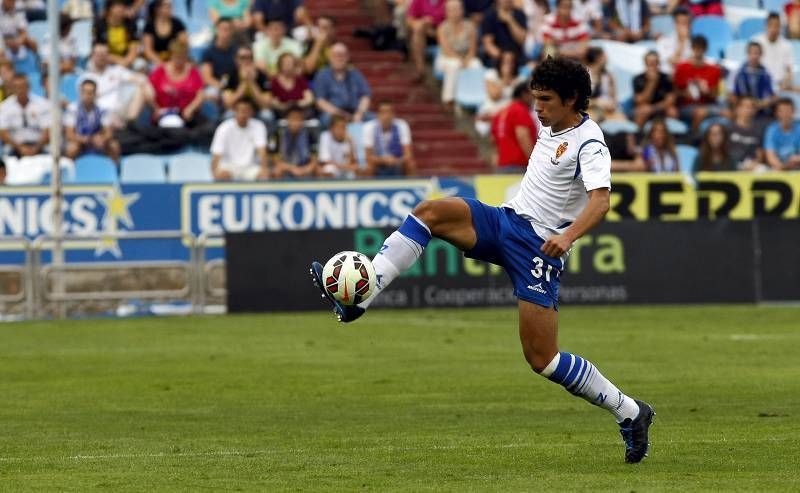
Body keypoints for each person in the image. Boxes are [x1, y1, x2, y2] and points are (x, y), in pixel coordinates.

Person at [309, 57, 655, 465]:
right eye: (535, 98)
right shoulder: (551, 123)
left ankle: (630, 412)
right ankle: (362, 295)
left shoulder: (591, 143)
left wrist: (567, 236)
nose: (538, 107)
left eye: (545, 100)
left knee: (542, 359)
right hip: (505, 222)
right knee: (430, 213)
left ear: (572, 99)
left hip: (538, 251)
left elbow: (601, 202)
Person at [149, 39, 212, 143]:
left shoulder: (193, 71)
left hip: (187, 115)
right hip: (164, 114)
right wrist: (156, 108)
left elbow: (200, 94)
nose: (179, 61)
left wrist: (190, 109)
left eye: (182, 58)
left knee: (207, 129)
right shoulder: (160, 71)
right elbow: (148, 91)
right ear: (171, 55)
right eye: (176, 57)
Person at [84, 42, 153, 128]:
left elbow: (140, 79)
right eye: (98, 54)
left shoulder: (116, 70)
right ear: (92, 56)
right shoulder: (86, 78)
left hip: (120, 110)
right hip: (100, 114)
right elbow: (86, 102)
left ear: (108, 56)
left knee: (141, 87)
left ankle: (130, 124)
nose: (101, 57)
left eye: (104, 54)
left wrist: (147, 88)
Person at [434, 0, 482, 106]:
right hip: (446, 58)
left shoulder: (470, 26)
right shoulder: (442, 28)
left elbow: (473, 48)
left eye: (458, 9)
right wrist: (461, 61)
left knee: (476, 64)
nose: (456, 12)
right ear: (447, 12)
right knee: (454, 64)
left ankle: (475, 97)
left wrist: (467, 59)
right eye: (452, 10)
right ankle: (449, 99)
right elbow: (446, 50)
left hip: (467, 57)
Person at [313, 43, 372, 127]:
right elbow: (320, 101)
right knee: (326, 119)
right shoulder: (322, 75)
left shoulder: (355, 74)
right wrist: (341, 115)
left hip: (355, 112)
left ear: (348, 57)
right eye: (336, 55)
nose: (339, 58)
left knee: (375, 121)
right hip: (333, 114)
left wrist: (360, 113)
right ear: (330, 57)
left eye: (342, 55)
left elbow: (366, 96)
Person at [210, 98, 270, 181]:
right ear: (235, 111)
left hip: (250, 167)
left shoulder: (258, 126)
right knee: (222, 175)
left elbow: (262, 151)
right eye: (241, 110)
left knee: (264, 176)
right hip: (229, 166)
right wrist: (214, 173)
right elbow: (216, 153)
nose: (243, 114)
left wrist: (264, 169)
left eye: (246, 110)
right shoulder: (224, 128)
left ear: (251, 112)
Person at [673, 35, 724, 130]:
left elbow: (715, 95)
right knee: (700, 112)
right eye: (696, 48)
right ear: (692, 48)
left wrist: (706, 91)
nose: (698, 51)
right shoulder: (681, 68)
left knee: (727, 113)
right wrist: (685, 94)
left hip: (708, 105)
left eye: (701, 48)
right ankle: (694, 138)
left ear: (705, 49)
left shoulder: (714, 70)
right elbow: (675, 92)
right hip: (687, 106)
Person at [64, 79, 121, 162]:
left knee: (114, 145)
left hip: (97, 142)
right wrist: (86, 139)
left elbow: (109, 132)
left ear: (95, 94)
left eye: (90, 93)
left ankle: (115, 171)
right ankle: (68, 171)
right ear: (80, 93)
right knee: (72, 148)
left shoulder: (102, 109)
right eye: (85, 92)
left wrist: (102, 139)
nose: (87, 95)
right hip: (80, 141)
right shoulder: (72, 109)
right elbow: (69, 134)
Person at [0, 73, 50, 157]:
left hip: (39, 145)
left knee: (53, 153)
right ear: (12, 88)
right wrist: (19, 148)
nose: (21, 90)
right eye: (17, 87)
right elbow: (3, 132)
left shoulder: (43, 104)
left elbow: (48, 130)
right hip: (15, 146)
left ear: (29, 87)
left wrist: (36, 148)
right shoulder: (5, 106)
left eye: (23, 87)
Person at [491, 83, 537, 171]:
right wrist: (534, 163)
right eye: (532, 95)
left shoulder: (500, 113)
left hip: (502, 165)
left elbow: (493, 141)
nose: (534, 100)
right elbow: (523, 137)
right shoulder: (520, 111)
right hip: (519, 165)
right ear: (524, 95)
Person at [362, 101, 416, 177]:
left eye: (389, 112)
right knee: (368, 167)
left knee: (411, 164)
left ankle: (412, 187)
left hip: (397, 161)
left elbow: (408, 154)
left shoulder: (402, 125)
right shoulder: (369, 127)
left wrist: (396, 160)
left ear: (394, 114)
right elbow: (368, 156)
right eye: (383, 112)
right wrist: (383, 160)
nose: (386, 116)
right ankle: (368, 188)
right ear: (378, 115)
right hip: (378, 162)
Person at [221, 45, 273, 119]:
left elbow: (265, 104)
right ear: (236, 59)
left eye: (249, 58)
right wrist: (244, 82)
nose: (246, 61)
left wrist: (252, 82)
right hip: (236, 110)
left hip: (256, 110)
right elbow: (228, 103)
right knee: (228, 115)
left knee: (267, 115)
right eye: (242, 58)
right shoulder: (229, 75)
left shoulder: (261, 75)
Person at [632, 50, 677, 127]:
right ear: (645, 64)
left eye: (654, 63)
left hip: (660, 108)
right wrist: (652, 83)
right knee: (642, 111)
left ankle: (673, 136)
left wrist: (653, 109)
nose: (652, 66)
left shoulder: (666, 78)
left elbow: (670, 100)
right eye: (650, 63)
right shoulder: (638, 79)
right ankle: (638, 135)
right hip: (645, 108)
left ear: (658, 63)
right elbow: (639, 101)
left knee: (672, 112)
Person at [272, 106, 317, 178]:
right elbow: (275, 160)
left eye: (299, 119)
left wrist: (306, 169)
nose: (296, 123)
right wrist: (292, 168)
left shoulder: (309, 134)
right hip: (286, 167)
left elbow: (314, 158)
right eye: (293, 119)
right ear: (287, 119)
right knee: (277, 170)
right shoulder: (278, 134)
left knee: (317, 169)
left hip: (303, 167)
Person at [753, 13, 794, 92]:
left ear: (781, 27)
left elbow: (789, 70)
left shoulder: (787, 45)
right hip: (760, 84)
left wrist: (784, 83)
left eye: (777, 26)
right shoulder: (756, 42)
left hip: (779, 85)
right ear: (765, 26)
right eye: (771, 25)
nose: (774, 29)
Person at [93, 0, 140, 69]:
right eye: (117, 6)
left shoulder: (130, 23)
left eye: (123, 6)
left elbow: (134, 48)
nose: (120, 9)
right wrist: (118, 60)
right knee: (94, 62)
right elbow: (98, 49)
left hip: (127, 59)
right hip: (106, 58)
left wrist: (127, 61)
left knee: (140, 64)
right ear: (110, 8)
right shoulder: (100, 24)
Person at [480, 0, 527, 67]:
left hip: (517, 60)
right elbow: (488, 45)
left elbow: (521, 40)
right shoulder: (490, 16)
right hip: (496, 61)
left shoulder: (520, 14)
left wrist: (510, 21)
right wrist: (504, 58)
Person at [406, 0, 446, 79]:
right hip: (425, 34)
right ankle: (420, 69)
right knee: (419, 29)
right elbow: (410, 21)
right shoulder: (418, 1)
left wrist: (436, 32)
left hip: (444, 33)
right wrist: (423, 24)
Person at [731, 42, 775, 112]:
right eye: (751, 53)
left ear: (761, 54)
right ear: (747, 54)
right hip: (743, 109)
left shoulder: (766, 74)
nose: (754, 56)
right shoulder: (739, 72)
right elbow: (733, 95)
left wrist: (762, 103)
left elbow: (773, 96)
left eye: (757, 53)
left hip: (762, 110)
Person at [585, 46, 625, 122]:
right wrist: (596, 102)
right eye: (605, 55)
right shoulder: (584, 74)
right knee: (591, 120)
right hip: (589, 109)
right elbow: (578, 102)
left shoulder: (609, 76)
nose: (607, 58)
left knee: (623, 122)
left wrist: (613, 105)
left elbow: (614, 98)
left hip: (607, 110)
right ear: (598, 58)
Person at [142, 0, 188, 66]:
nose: (170, 9)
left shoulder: (178, 24)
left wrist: (174, 62)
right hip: (155, 62)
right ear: (158, 9)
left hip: (175, 62)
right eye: (167, 6)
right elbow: (148, 50)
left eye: (170, 6)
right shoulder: (149, 26)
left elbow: (184, 45)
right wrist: (162, 64)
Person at [200, 17, 239, 95]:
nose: (225, 32)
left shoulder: (237, 51)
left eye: (228, 29)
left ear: (232, 31)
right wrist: (222, 88)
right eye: (222, 29)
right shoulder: (208, 52)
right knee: (211, 94)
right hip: (216, 87)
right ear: (216, 30)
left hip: (234, 87)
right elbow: (207, 77)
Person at [269, 52, 313, 119]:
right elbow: (273, 101)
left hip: (300, 111)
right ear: (280, 65)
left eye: (290, 62)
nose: (287, 64)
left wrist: (296, 104)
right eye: (285, 62)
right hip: (282, 112)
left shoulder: (300, 79)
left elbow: (309, 98)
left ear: (294, 65)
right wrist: (285, 106)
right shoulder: (274, 81)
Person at [728, 96, 765, 170]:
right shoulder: (728, 128)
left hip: (751, 165)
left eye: (751, 107)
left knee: (762, 169)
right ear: (737, 109)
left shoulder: (758, 130)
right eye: (746, 106)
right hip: (731, 164)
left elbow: (760, 154)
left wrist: (755, 163)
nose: (748, 110)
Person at [763, 97, 800, 170]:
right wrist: (781, 166)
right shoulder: (771, 130)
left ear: (793, 111)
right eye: (782, 111)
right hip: (778, 167)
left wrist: (796, 160)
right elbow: (770, 155)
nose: (785, 114)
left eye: (788, 110)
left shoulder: (799, 129)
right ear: (777, 113)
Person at [318, 114, 359, 179]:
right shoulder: (325, 136)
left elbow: (354, 162)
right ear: (331, 128)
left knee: (355, 173)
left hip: (345, 170)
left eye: (344, 127)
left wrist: (351, 145)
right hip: (335, 168)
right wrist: (344, 167)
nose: (341, 130)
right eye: (338, 127)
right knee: (328, 169)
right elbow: (326, 161)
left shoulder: (350, 138)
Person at [655, 7, 691, 74]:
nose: (685, 26)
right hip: (668, 76)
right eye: (682, 23)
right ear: (675, 24)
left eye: (687, 23)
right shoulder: (663, 42)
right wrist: (682, 43)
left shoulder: (693, 43)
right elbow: (673, 61)